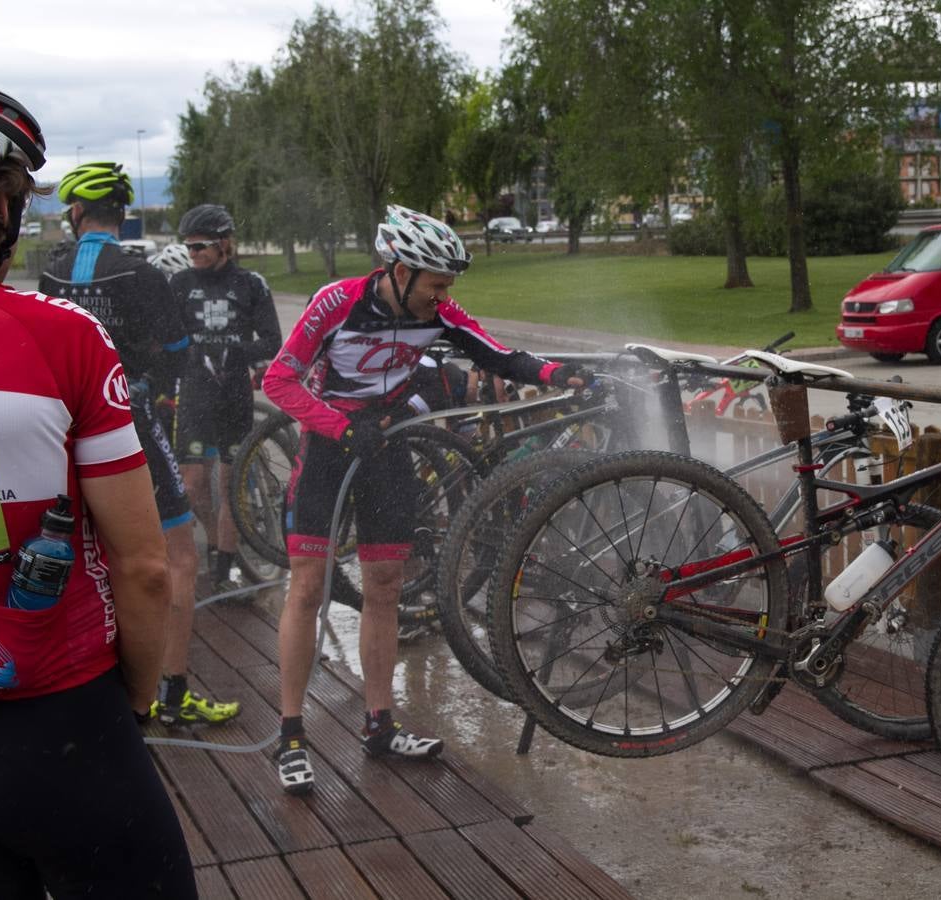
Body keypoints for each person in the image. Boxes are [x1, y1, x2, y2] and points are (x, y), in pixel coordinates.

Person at [263, 204, 585, 795]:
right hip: (328, 451)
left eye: (447, 287)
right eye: (436, 284)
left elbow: (496, 353)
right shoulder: (336, 302)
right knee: (308, 587)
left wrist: (562, 374)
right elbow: (278, 381)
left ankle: (380, 724)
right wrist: (338, 426)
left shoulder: (436, 309)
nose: (443, 296)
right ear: (399, 269)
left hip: (387, 451)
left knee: (384, 586)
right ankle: (291, 735)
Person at [0, 85, 196, 898]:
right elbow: (144, 566)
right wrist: (135, 703)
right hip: (54, 713)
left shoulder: (60, 285)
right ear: (4, 211)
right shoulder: (61, 335)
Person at [39, 163, 240, 727]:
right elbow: (178, 351)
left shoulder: (53, 271)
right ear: (121, 214)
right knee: (175, 555)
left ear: (77, 213)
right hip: (129, 422)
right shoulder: (141, 273)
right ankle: (168, 692)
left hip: (65, 428)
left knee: (86, 549)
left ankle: (85, 679)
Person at [169, 204, 282, 594]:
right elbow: (168, 340)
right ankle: (216, 544)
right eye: (189, 247)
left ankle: (224, 567)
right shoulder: (180, 284)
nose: (194, 253)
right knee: (192, 483)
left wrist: (239, 353)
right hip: (196, 396)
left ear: (223, 244)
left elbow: (272, 341)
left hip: (234, 395)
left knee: (230, 485)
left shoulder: (251, 284)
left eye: (201, 246)